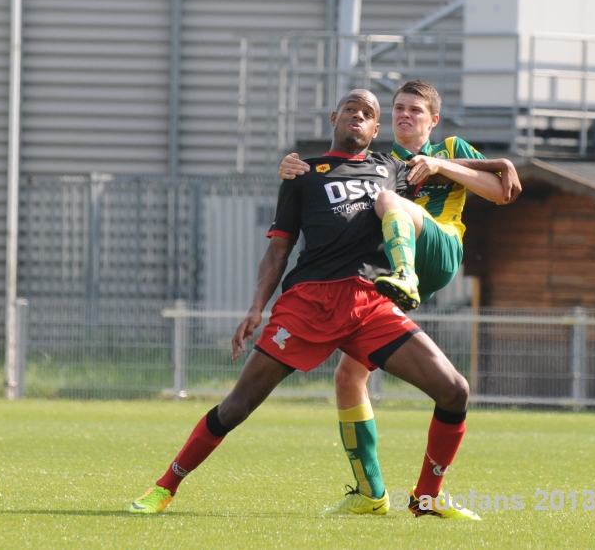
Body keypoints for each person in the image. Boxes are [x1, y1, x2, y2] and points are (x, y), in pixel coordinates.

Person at [129, 89, 481, 519]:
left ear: (376, 131)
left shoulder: (394, 169)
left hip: (369, 302)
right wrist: (256, 309)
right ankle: (165, 487)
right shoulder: (302, 173)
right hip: (308, 302)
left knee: (454, 390)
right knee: (236, 407)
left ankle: (425, 498)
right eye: (351, 109)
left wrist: (500, 164)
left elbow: (485, 182)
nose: (358, 115)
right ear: (335, 118)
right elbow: (278, 251)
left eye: (368, 113)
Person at [278, 79, 520, 516]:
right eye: (398, 109)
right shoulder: (381, 161)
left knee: (390, 200)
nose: (404, 116)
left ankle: (405, 271)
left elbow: (500, 190)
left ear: (433, 119)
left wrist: (441, 166)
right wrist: (294, 169)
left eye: (414, 110)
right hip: (397, 274)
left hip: (440, 249)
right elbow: (336, 179)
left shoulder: (451, 149)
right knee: (348, 377)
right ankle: (384, 495)